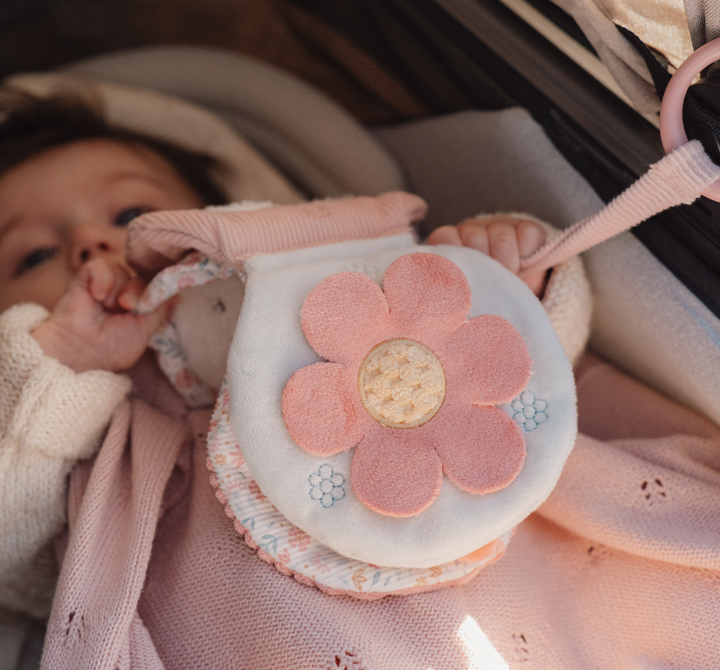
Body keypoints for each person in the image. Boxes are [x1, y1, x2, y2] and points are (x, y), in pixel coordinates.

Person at [0, 89, 551, 622]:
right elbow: (22, 575)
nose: (90, 242)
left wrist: (507, 291)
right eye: (36, 256)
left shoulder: (334, 292)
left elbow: (522, 398)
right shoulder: (60, 425)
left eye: (129, 214)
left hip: (484, 578)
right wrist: (60, 367)